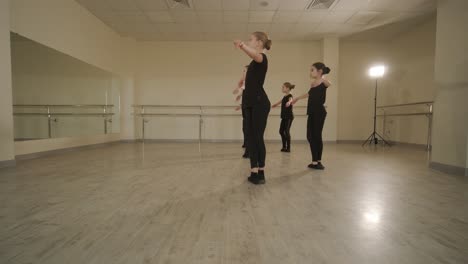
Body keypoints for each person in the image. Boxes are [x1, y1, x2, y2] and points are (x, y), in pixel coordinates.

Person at [234, 32, 272, 185]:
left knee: (257, 138)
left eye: (251, 39)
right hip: (250, 104)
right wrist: (242, 83)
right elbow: (249, 83)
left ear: (259, 43)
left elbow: (256, 56)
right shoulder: (253, 64)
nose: (249, 41)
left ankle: (260, 172)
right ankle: (254, 171)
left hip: (259, 103)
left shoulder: (262, 58)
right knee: (251, 138)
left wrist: (242, 45)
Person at [288, 62, 331, 170]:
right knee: (310, 136)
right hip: (311, 111)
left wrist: (322, 76)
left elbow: (329, 84)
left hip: (319, 112)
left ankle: (319, 161)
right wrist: (296, 98)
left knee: (317, 135)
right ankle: (314, 161)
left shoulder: (323, 82)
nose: (310, 72)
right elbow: (309, 94)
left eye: (312, 70)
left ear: (319, 71)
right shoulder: (313, 83)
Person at [272, 82, 295, 152]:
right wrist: (275, 105)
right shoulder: (284, 97)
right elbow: (281, 101)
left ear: (288, 88)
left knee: (286, 131)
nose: (282, 88)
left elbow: (291, 100)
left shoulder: (290, 96)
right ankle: (284, 147)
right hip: (284, 117)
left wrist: (289, 102)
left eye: (283, 87)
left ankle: (288, 148)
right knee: (281, 131)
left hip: (289, 117)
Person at [233, 66, 249, 158]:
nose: (243, 72)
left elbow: (242, 90)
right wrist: (240, 104)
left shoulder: (250, 82)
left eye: (244, 71)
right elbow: (242, 91)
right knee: (245, 129)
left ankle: (249, 150)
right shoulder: (245, 83)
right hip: (245, 110)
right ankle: (247, 146)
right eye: (243, 71)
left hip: (250, 110)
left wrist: (238, 92)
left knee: (248, 130)